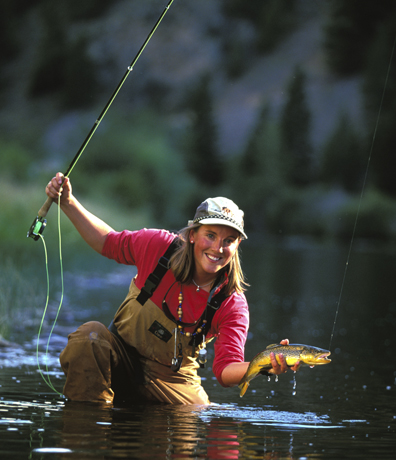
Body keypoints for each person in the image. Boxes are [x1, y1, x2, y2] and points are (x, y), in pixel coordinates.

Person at [45, 173, 299, 405]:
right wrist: (67, 202)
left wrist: (265, 364)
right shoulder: (157, 246)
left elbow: (225, 370)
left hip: (174, 382)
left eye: (228, 240)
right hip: (118, 357)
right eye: (210, 235)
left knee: (197, 416)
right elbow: (108, 242)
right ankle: (90, 427)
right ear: (192, 235)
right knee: (89, 337)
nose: (217, 248)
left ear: (237, 244)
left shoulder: (232, 303)